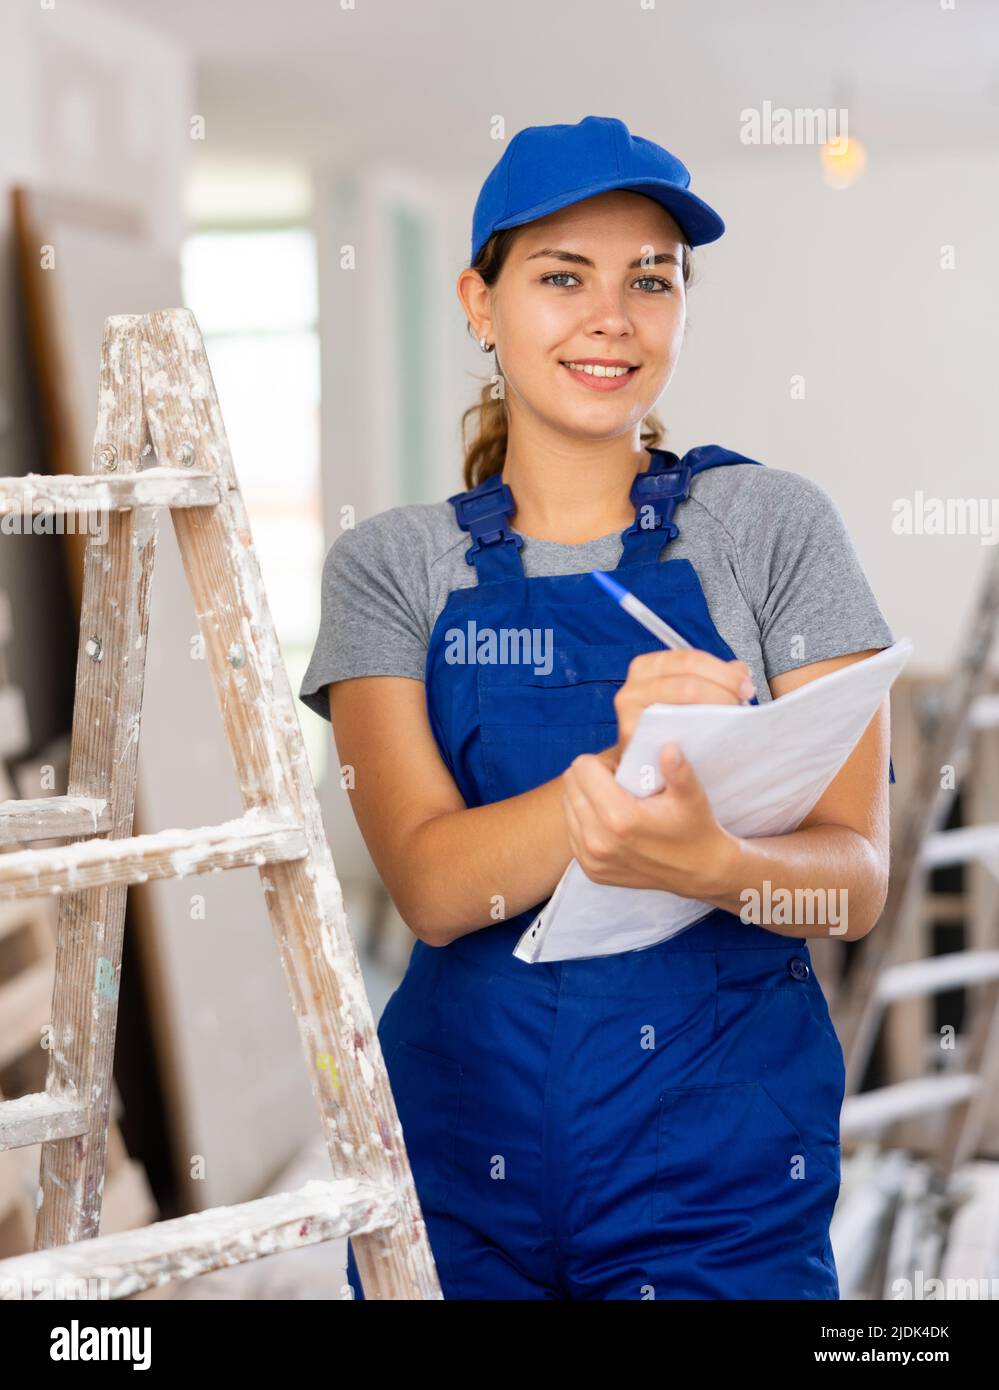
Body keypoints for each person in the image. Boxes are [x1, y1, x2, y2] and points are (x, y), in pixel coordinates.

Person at [298, 115, 896, 1300]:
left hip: (721, 1170)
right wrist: (618, 782)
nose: (611, 315)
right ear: (481, 301)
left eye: (651, 280)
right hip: (462, 1163)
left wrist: (714, 863)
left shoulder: (771, 529)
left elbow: (857, 879)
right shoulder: (391, 568)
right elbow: (426, 882)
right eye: (561, 276)